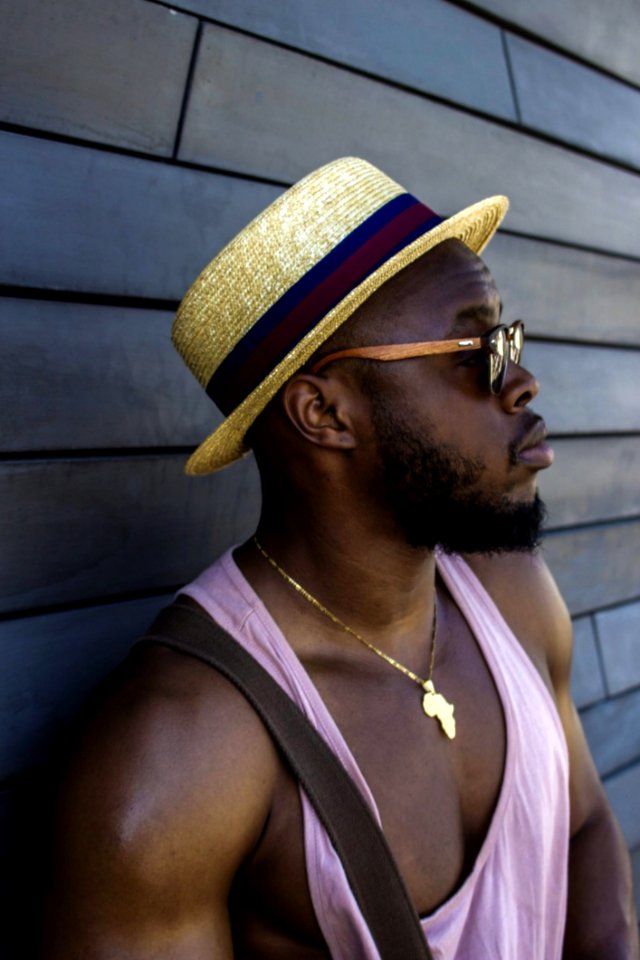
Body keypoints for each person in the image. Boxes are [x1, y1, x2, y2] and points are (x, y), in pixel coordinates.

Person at [42, 158, 638, 958]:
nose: (522, 380)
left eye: (509, 339)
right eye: (476, 350)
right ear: (324, 412)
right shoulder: (179, 755)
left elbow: (582, 826)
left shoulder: (513, 593)